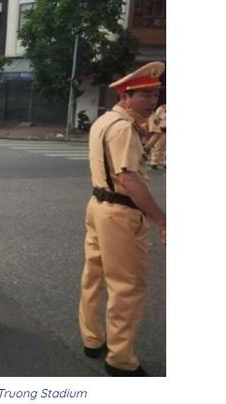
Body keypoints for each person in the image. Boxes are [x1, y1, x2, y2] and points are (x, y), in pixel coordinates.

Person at [78, 61, 167, 377]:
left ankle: (92, 339)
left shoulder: (105, 120)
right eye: (144, 95)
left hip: (98, 204)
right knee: (127, 287)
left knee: (94, 275)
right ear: (126, 96)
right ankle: (120, 359)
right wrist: (161, 219)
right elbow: (128, 178)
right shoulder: (123, 128)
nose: (152, 101)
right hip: (120, 212)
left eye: (155, 94)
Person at [144, 103, 166, 169]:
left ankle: (164, 161)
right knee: (158, 146)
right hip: (162, 129)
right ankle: (154, 162)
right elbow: (157, 119)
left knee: (164, 148)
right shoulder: (163, 109)